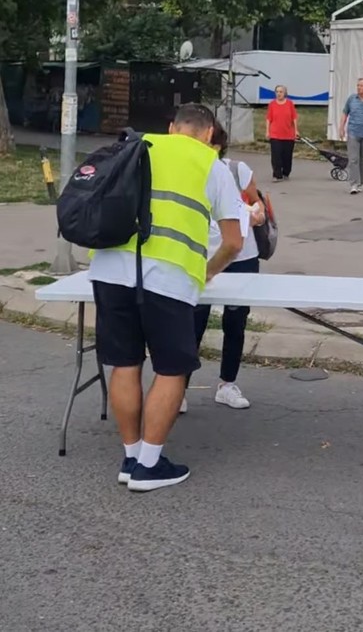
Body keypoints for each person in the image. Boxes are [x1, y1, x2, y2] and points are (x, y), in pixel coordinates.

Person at [88, 103, 244, 492]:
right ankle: (150, 465)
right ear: (210, 134)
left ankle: (130, 456)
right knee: (171, 369)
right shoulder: (213, 165)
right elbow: (234, 242)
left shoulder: (136, 147)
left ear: (172, 127)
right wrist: (205, 272)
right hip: (170, 277)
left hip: (110, 269)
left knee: (124, 363)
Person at [184, 122, 265, 412]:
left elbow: (260, 208)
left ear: (215, 145)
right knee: (193, 321)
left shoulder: (235, 170)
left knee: (235, 321)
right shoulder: (186, 170)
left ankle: (227, 384)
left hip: (241, 256)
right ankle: (177, 387)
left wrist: (255, 214)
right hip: (200, 254)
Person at [265, 85, 298, 181]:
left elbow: (294, 118)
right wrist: (267, 131)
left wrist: (296, 130)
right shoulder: (272, 104)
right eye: (277, 92)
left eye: (281, 92)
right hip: (275, 134)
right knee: (276, 156)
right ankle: (277, 174)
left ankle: (286, 172)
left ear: (285, 93)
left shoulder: (290, 104)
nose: (279, 94)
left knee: (287, 156)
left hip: (288, 134)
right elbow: (268, 119)